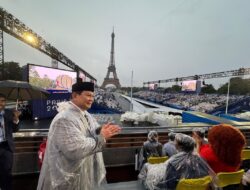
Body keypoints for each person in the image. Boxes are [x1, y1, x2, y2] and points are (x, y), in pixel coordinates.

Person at [37, 81, 121, 190]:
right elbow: (75, 149)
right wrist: (101, 137)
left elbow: (91, 132)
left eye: (93, 96)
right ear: (75, 95)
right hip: (66, 179)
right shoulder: (64, 119)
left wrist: (101, 130)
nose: (91, 99)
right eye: (88, 95)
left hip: (82, 175)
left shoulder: (86, 115)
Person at [0, 93, 21, 190]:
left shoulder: (9, 113)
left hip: (7, 147)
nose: (1, 103)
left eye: (3, 101)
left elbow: (15, 129)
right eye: (0, 101)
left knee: (7, 172)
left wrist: (16, 118)